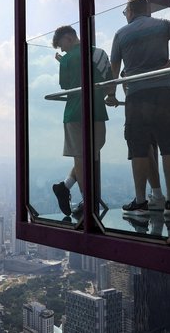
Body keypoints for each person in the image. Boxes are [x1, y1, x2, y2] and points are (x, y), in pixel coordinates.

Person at [106, 0, 170, 216]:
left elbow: (114, 67)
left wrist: (111, 94)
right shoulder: (163, 25)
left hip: (136, 95)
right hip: (164, 91)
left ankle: (140, 201)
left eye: (125, 11)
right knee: (169, 146)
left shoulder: (120, 33)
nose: (125, 15)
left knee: (138, 148)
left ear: (131, 10)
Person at [51, 25, 113, 217]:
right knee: (93, 148)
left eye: (63, 46)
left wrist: (64, 62)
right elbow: (108, 79)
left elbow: (65, 84)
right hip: (97, 109)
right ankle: (81, 196)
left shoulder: (67, 59)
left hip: (74, 112)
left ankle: (74, 192)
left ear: (69, 37)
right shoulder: (99, 53)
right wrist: (110, 95)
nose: (63, 51)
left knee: (81, 155)